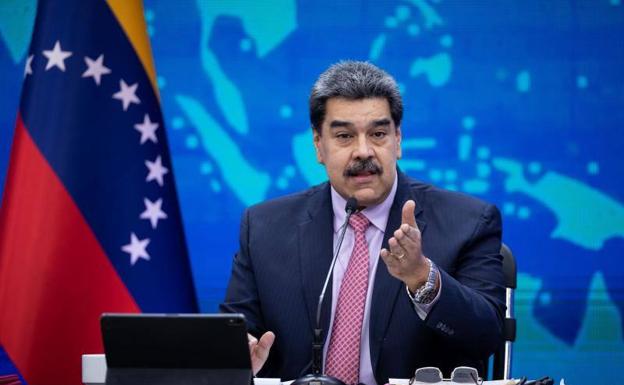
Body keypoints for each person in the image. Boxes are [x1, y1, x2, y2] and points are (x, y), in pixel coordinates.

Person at [220, 61, 505, 385]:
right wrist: (239, 355)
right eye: (344, 136)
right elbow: (235, 332)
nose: (363, 151)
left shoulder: (468, 223)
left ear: (398, 140)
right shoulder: (264, 227)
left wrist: (422, 280)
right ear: (318, 145)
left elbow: (487, 337)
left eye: (378, 134)